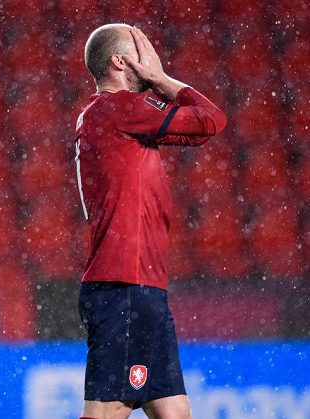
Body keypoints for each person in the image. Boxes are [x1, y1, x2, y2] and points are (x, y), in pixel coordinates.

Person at [74, 24, 227, 419]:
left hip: (139, 289)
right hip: (127, 287)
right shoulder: (118, 108)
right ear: (120, 61)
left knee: (174, 413)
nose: (152, 61)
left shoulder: (108, 117)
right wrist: (160, 79)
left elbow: (199, 132)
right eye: (144, 54)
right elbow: (210, 120)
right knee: (105, 413)